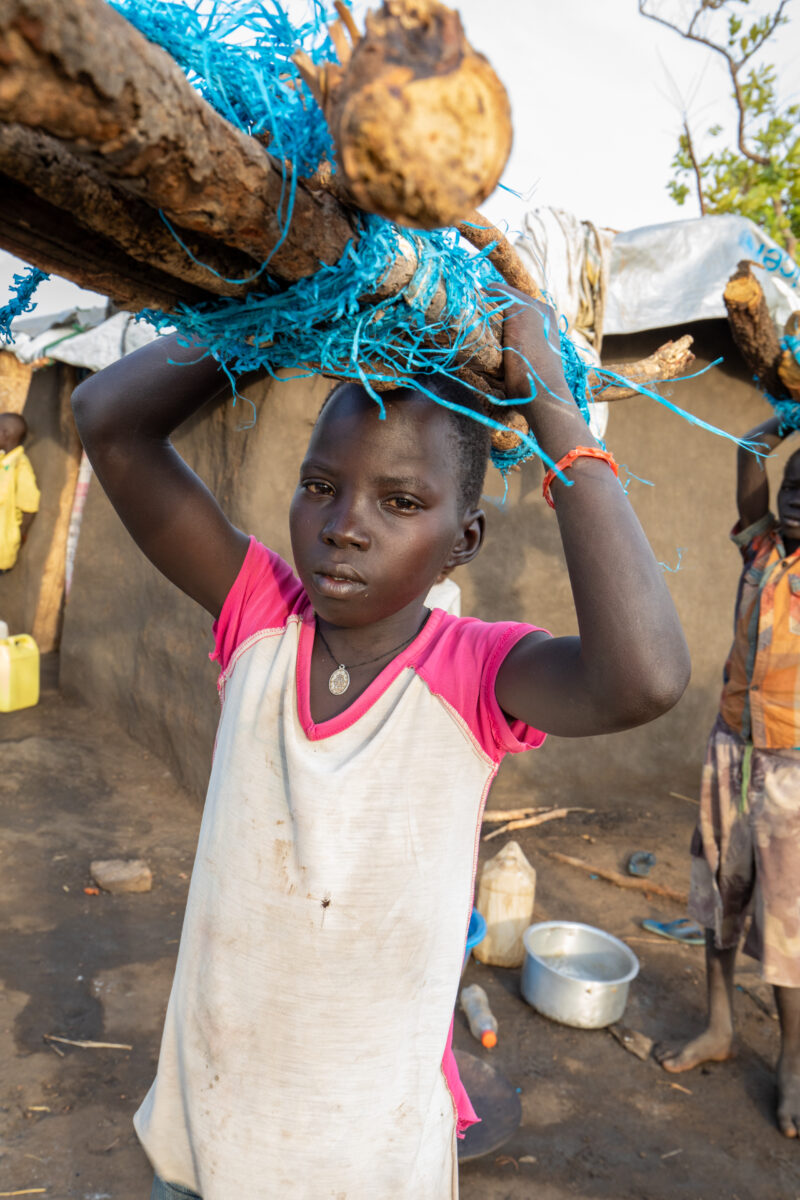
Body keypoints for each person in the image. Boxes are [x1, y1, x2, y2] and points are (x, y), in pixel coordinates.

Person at [71, 289, 690, 1200]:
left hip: (363, 1162)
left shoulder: (476, 673)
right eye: (320, 485)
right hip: (209, 1134)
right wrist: (277, 306)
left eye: (400, 501)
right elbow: (109, 424)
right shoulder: (259, 618)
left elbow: (645, 677)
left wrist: (551, 400)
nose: (343, 524)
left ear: (462, 540)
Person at [657, 414, 800, 1140]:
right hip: (731, 749)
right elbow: (750, 455)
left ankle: (794, 1065)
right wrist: (783, 414)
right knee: (718, 891)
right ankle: (720, 1026)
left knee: (788, 924)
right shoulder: (764, 548)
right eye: (795, 481)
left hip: (795, 769)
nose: (797, 493)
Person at [0, 412, 39, 573]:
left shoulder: (21, 467)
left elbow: (29, 508)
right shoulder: (4, 461)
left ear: (6, 434)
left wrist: (17, 537)